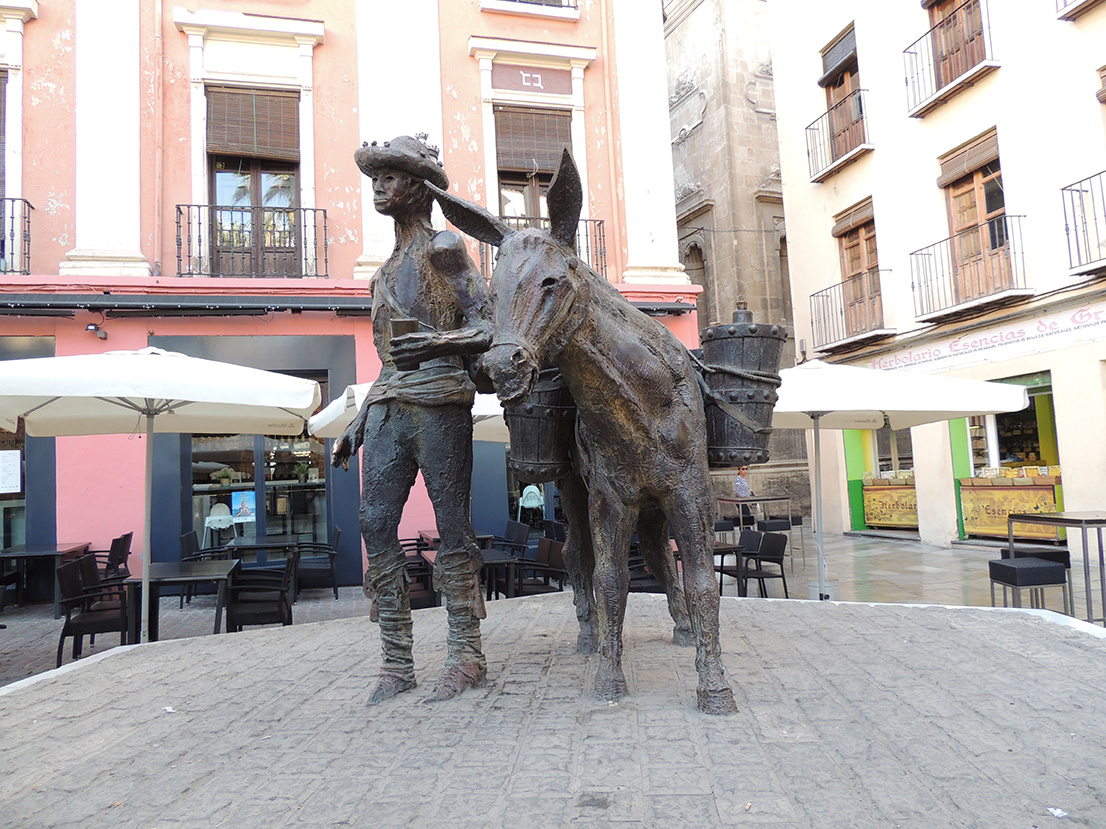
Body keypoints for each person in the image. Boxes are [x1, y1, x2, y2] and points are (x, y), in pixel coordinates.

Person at [333, 134, 492, 705]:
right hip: (389, 407)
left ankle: (465, 653)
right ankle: (397, 662)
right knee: (375, 523)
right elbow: (387, 360)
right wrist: (359, 417)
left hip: (441, 405)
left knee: (452, 528)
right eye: (375, 177)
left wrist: (434, 344)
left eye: (391, 176)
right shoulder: (383, 272)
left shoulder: (444, 248)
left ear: (418, 188)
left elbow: (490, 327)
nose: (379, 185)